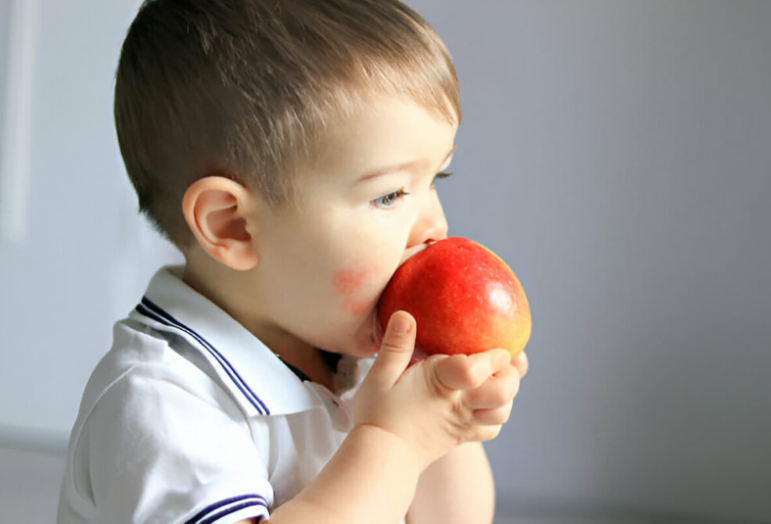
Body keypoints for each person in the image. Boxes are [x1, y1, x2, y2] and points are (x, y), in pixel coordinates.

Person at [57, 0, 529, 522]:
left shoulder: (350, 355)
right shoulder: (160, 401)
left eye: (436, 180)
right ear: (233, 226)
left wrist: (445, 422)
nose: (434, 226)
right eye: (390, 195)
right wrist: (392, 443)